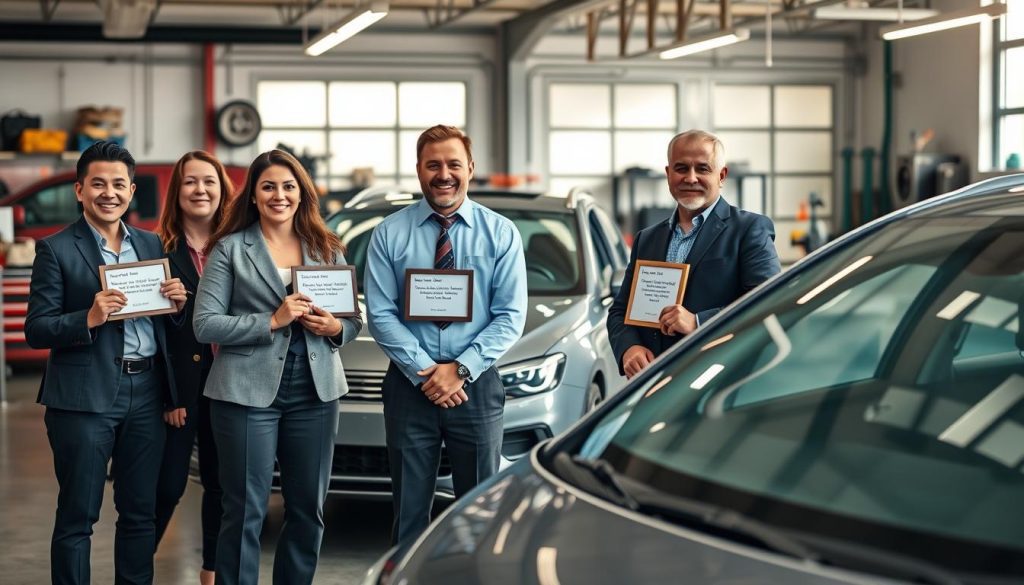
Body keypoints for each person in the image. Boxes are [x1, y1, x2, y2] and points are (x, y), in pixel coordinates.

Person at [192, 149, 362, 585]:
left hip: (315, 391)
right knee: (245, 511)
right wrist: (270, 320)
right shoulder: (230, 249)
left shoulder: (327, 247)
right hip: (244, 393)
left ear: (302, 193)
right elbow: (204, 323)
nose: (279, 195)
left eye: (288, 186)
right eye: (268, 187)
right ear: (253, 195)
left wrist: (334, 328)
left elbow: (352, 321)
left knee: (307, 510)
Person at [25, 140, 188, 585]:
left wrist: (177, 306)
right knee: (78, 515)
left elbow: (164, 324)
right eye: (98, 184)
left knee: (139, 513)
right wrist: (88, 318)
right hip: (83, 398)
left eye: (119, 184)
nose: (109, 193)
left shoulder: (152, 244)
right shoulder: (56, 249)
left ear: (131, 191)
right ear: (80, 190)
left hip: (147, 392)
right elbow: (37, 329)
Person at [365, 125, 528, 544]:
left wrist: (460, 370)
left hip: (476, 385)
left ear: (470, 168)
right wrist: (426, 371)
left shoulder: (501, 233)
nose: (444, 174)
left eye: (453, 164)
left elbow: (511, 315)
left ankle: (473, 574)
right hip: (410, 385)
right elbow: (380, 314)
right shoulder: (389, 233)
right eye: (433, 165)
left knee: (479, 511)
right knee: (408, 513)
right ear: (418, 169)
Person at [608, 129, 781, 379]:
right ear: (668, 174)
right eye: (681, 168)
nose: (691, 178)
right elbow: (620, 311)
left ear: (721, 175)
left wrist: (699, 322)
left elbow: (769, 301)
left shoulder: (749, 229)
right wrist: (629, 348)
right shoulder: (647, 239)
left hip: (719, 378)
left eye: (702, 168)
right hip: (653, 381)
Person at [153, 150, 234, 585]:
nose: (200, 190)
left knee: (222, 485)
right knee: (167, 486)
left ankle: (212, 573)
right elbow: (150, 334)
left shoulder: (240, 246)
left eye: (209, 181)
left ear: (222, 190)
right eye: (190, 181)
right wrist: (171, 395)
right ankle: (136, 567)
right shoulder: (156, 250)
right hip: (181, 391)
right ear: (177, 192)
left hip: (230, 383)